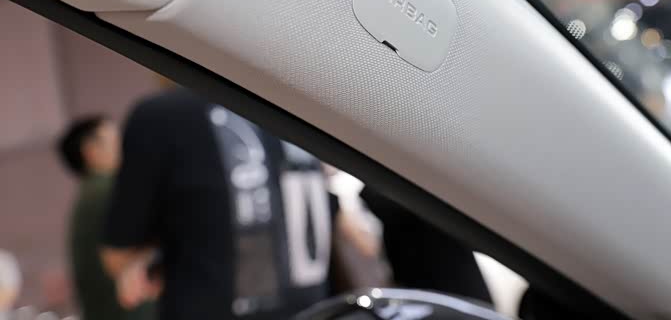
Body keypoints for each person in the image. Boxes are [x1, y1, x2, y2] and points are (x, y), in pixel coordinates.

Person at [102, 88, 491, 320]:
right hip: (314, 309)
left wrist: (150, 260)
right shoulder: (296, 105)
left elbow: (118, 255)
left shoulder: (163, 116)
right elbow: (346, 229)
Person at [56, 115, 155, 320]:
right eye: (116, 139)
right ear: (91, 150)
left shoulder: (91, 194)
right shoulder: (110, 190)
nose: (124, 147)